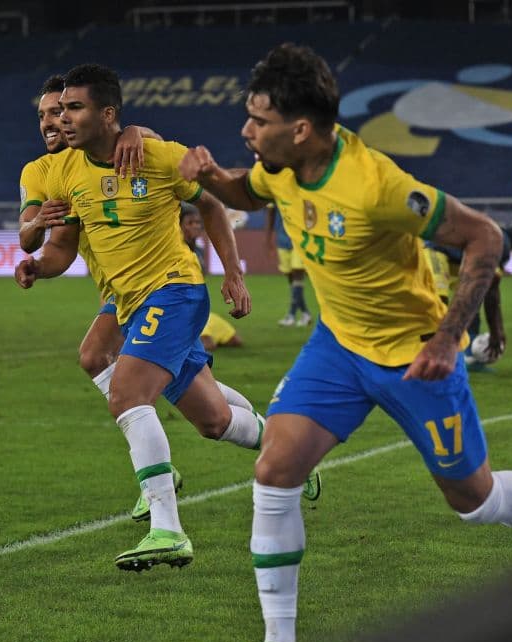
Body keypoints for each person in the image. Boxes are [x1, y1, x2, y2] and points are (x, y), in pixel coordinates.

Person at [179, 43, 512, 642]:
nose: (246, 131)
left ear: (300, 129)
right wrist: (209, 176)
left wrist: (447, 337)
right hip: (337, 348)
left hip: (414, 357)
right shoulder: (280, 167)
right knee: (275, 469)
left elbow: (484, 236)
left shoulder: (377, 186)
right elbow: (248, 193)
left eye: (258, 120)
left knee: (471, 501)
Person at [17, 75, 313, 524]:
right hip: (121, 293)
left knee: (118, 379)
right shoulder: (46, 172)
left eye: (62, 111)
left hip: (166, 286)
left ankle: (162, 510)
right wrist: (36, 253)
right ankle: (281, 446)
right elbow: (51, 244)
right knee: (212, 419)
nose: (53, 122)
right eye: (45, 115)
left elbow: (167, 160)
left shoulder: (130, 149)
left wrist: (136, 131)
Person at [423, 216, 512, 369]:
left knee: (472, 301)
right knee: (438, 306)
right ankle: (429, 356)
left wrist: (497, 330)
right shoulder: (500, 243)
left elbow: (487, 290)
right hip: (437, 252)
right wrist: (496, 331)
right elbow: (492, 294)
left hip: (453, 259)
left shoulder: (498, 236)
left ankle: (469, 357)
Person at [180, 204, 244, 351]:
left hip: (200, 311)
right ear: (179, 226)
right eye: (190, 223)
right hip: (182, 311)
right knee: (208, 344)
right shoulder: (177, 252)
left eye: (198, 222)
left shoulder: (199, 251)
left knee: (235, 340)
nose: (195, 226)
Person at [264, 202, 312, 327]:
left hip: (300, 241)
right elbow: (270, 214)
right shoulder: (275, 194)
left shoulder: (302, 193)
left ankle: (291, 315)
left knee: (297, 275)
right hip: (282, 240)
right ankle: (305, 313)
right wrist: (268, 239)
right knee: (292, 280)